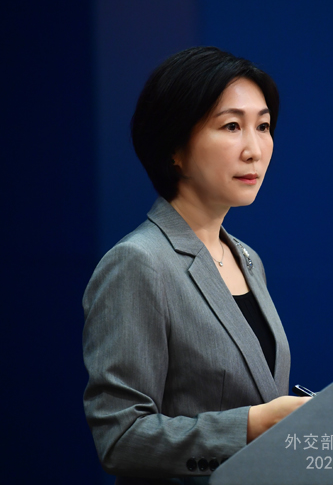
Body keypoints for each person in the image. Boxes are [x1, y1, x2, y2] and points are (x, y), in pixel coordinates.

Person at [82, 46, 309, 485]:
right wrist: (251, 425)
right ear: (175, 148)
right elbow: (121, 439)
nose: (255, 149)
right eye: (231, 126)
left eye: (263, 126)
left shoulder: (248, 258)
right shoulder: (139, 262)